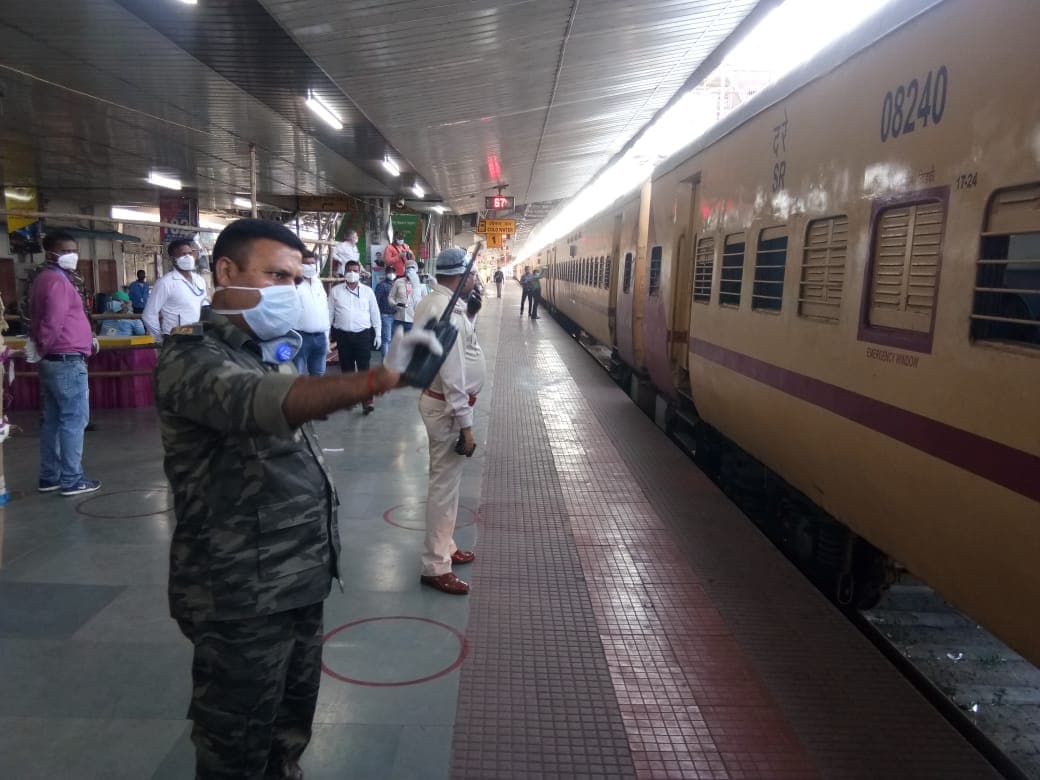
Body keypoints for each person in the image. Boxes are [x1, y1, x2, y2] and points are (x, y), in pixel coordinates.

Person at [154, 218, 441, 779]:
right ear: (226, 272)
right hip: (238, 593)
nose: (288, 289)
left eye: (295, 278)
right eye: (275, 275)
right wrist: (379, 379)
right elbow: (266, 402)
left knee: (289, 729)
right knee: (236, 746)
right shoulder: (191, 359)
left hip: (294, 580)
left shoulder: (263, 352)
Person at [414, 246, 485, 595]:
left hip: (437, 402)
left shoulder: (434, 302)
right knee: (444, 488)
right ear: (462, 275)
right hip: (447, 409)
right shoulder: (448, 314)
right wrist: (467, 426)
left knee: (447, 485)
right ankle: (435, 565)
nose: (475, 279)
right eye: (472, 274)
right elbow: (453, 376)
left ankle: (446, 545)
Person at [28, 230, 101, 497]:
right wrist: (44, 345)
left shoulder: (43, 278)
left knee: (53, 420)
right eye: (66, 250)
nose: (72, 255)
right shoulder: (57, 281)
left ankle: (50, 476)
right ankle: (72, 479)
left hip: (54, 358)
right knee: (73, 420)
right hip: (66, 359)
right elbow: (54, 320)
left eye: (74, 250)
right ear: (51, 253)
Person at [328, 260, 381, 414]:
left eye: (355, 270)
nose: (352, 273)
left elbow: (375, 313)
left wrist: (378, 333)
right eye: (349, 270)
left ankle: (367, 399)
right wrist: (326, 336)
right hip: (343, 335)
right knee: (347, 368)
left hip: (363, 334)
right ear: (344, 272)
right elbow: (329, 314)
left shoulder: (367, 292)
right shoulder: (335, 291)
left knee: (364, 367)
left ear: (360, 273)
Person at [142, 240, 209, 341]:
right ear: (173, 259)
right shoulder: (165, 283)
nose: (188, 257)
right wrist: (159, 338)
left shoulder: (200, 280)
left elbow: (205, 307)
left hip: (199, 336)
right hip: (176, 340)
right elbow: (149, 314)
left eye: (190, 253)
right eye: (183, 254)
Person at [294, 249, 330, 376]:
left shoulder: (318, 282)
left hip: (320, 337)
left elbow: (324, 309)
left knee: (318, 375)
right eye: (307, 264)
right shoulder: (293, 284)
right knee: (296, 375)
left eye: (313, 263)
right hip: (300, 337)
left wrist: (326, 336)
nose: (310, 267)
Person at [374, 267, 397, 359]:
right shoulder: (381, 285)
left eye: (392, 272)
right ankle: (385, 361)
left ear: (395, 273)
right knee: (386, 339)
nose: (391, 274)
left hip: (396, 315)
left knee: (393, 339)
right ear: (386, 273)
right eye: (389, 272)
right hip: (385, 315)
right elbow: (376, 301)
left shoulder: (397, 284)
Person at [389, 262, 418, 334]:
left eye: (412, 267)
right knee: (396, 340)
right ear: (404, 269)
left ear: (416, 270)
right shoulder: (398, 281)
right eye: (408, 267)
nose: (410, 269)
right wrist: (395, 304)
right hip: (399, 318)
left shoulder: (420, 284)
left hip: (412, 319)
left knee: (410, 341)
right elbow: (391, 297)